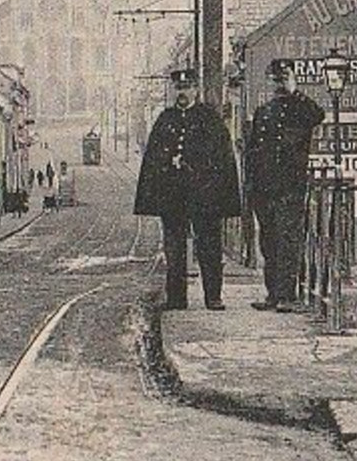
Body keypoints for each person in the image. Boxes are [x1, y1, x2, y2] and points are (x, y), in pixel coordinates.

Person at [133, 69, 242, 311]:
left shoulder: (210, 118)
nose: (182, 93)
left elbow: (222, 160)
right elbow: (152, 159)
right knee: (174, 250)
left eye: (187, 88)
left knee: (209, 248)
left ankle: (213, 296)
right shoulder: (165, 119)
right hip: (173, 198)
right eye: (179, 88)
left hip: (204, 197)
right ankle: (176, 298)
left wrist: (198, 170)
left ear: (196, 90)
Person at [245, 59, 326, 312]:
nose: (279, 84)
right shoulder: (263, 112)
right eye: (276, 79)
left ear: (291, 79)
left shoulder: (300, 110)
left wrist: (295, 92)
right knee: (268, 242)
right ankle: (272, 294)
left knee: (288, 241)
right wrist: (251, 188)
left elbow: (318, 115)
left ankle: (287, 296)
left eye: (284, 79)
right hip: (264, 189)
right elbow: (253, 153)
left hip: (290, 188)